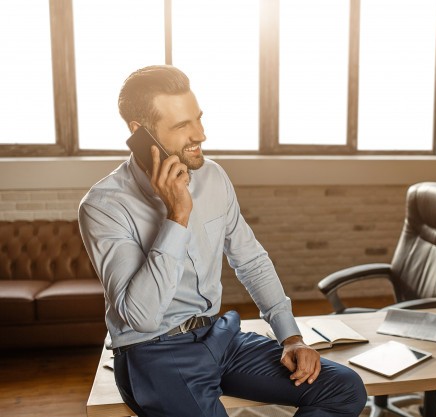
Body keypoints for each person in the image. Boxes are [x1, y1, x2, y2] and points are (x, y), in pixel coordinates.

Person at [78, 65, 367, 417]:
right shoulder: (104, 205)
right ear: (141, 133)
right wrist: (177, 215)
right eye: (182, 126)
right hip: (153, 353)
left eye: (197, 119)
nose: (200, 133)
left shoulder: (213, 177)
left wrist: (290, 336)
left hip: (219, 335)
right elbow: (141, 317)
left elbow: (251, 260)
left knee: (344, 388)